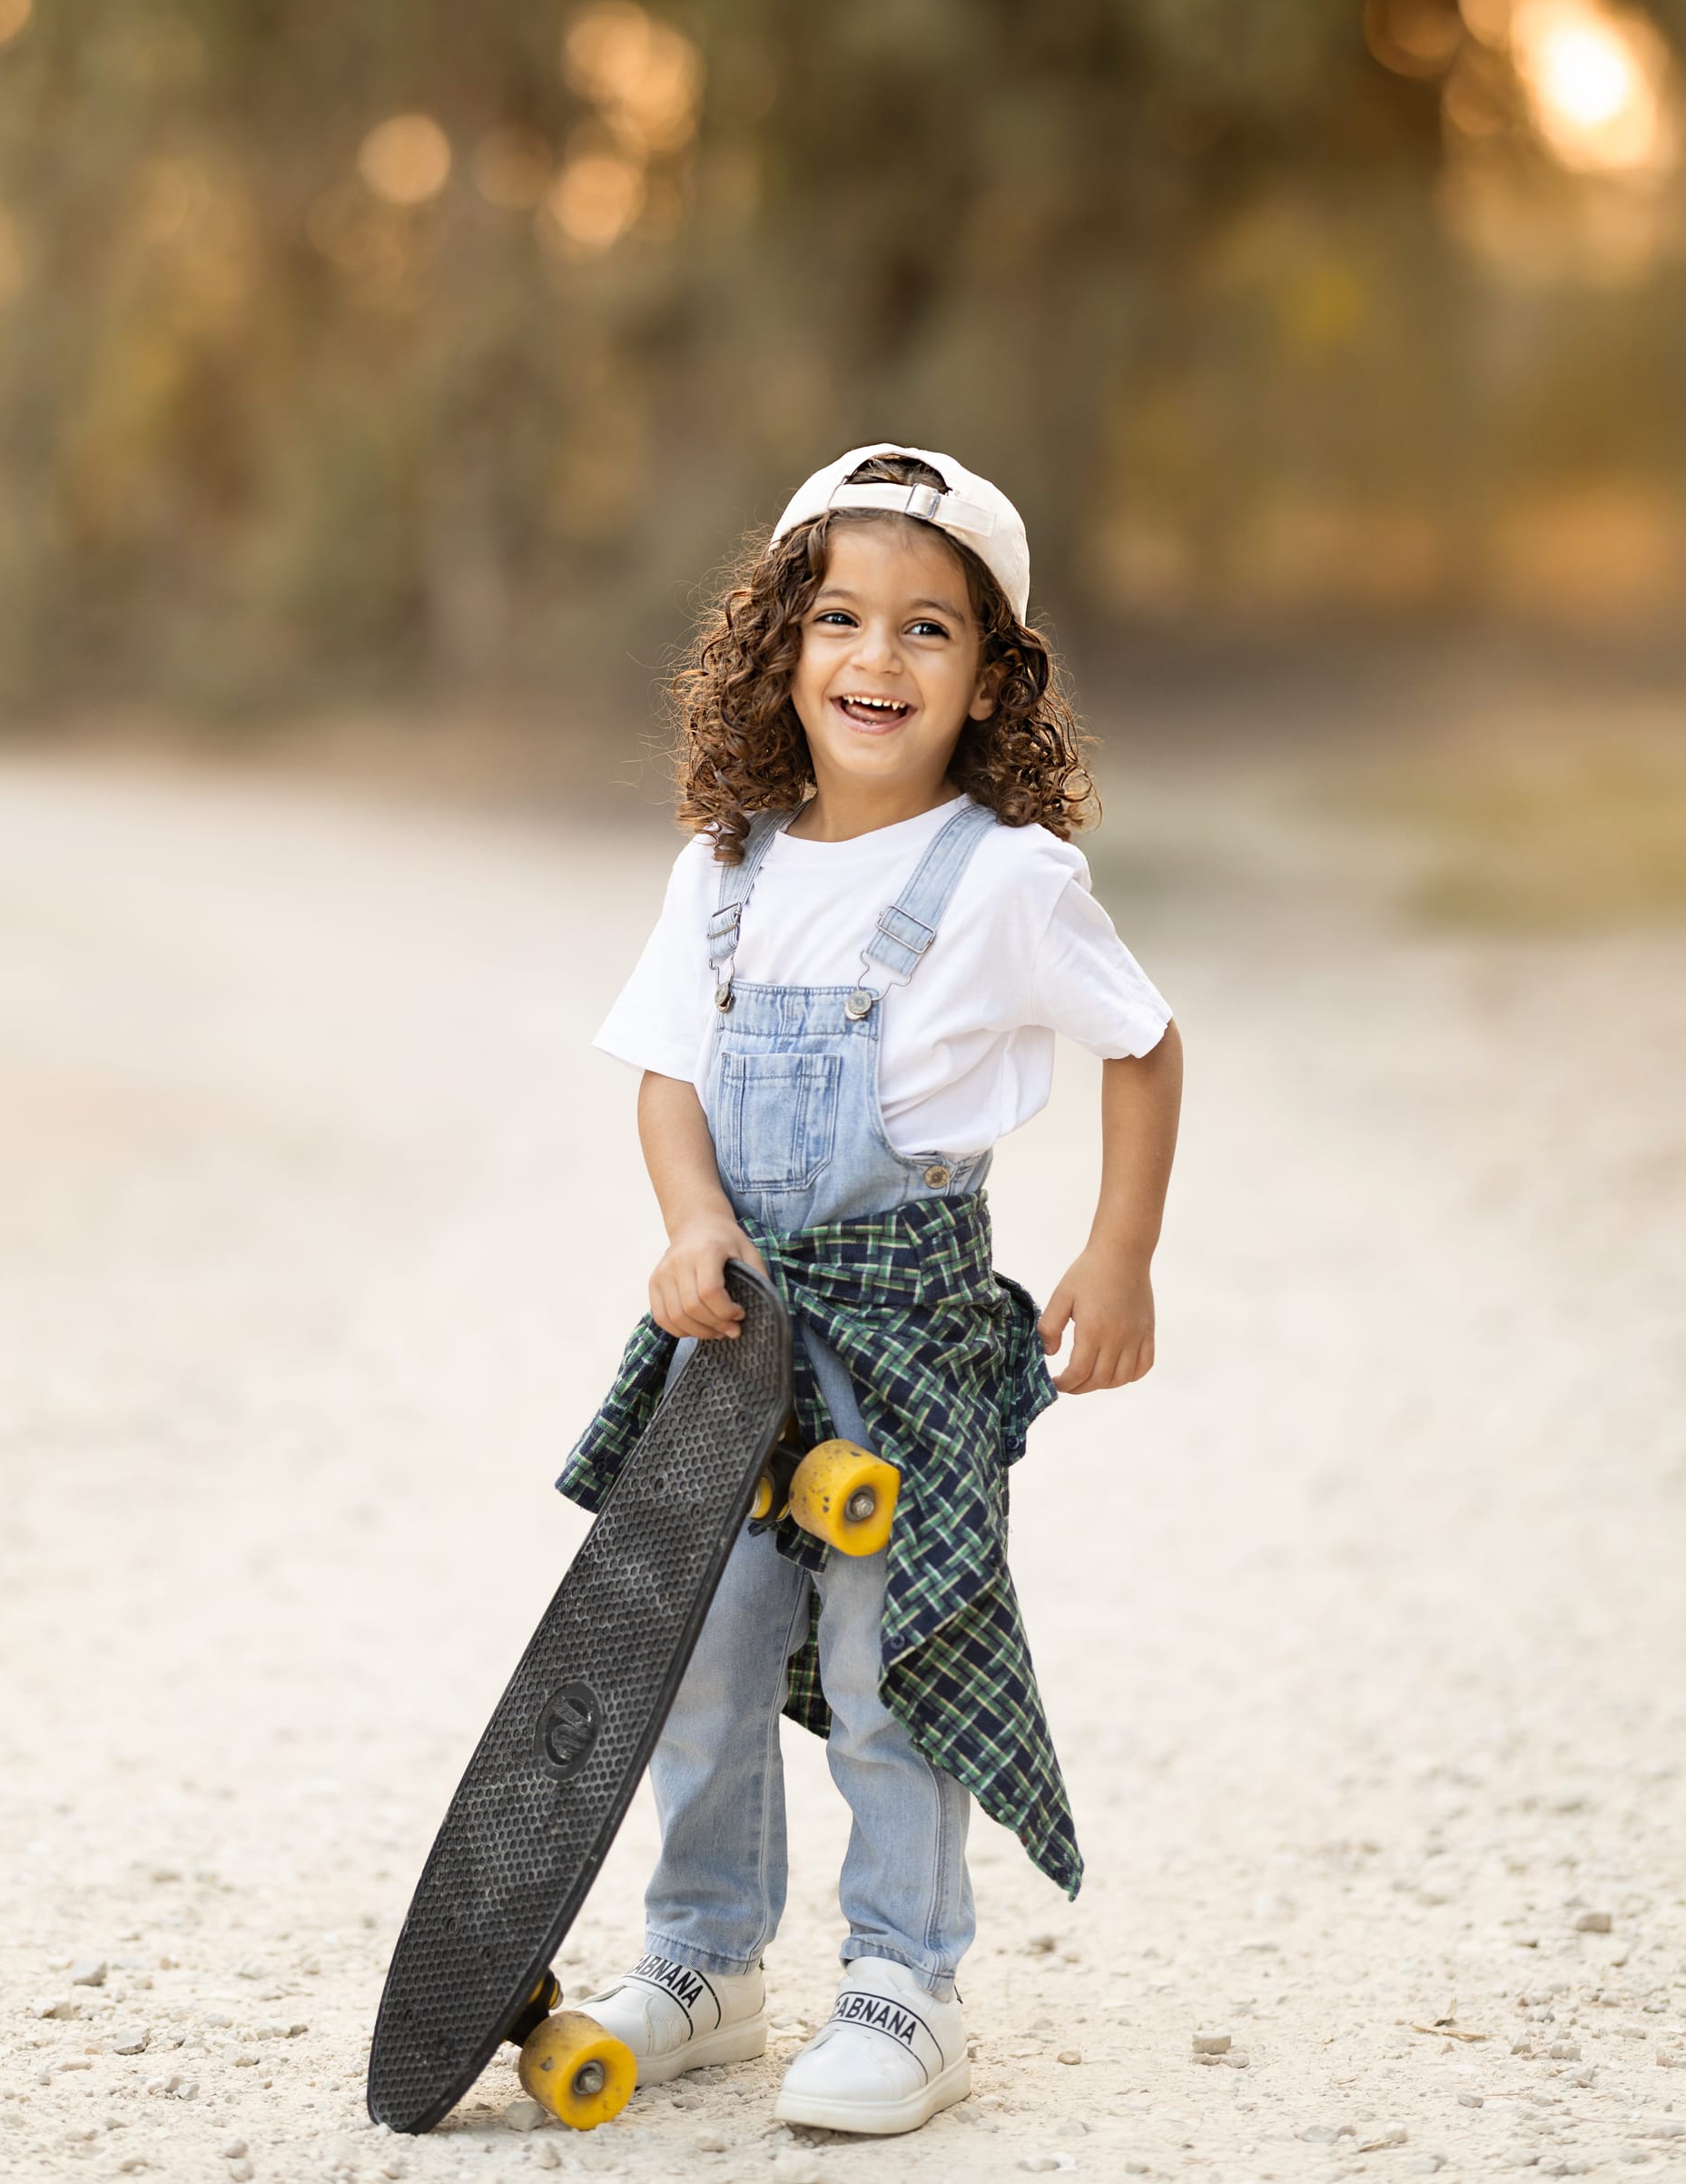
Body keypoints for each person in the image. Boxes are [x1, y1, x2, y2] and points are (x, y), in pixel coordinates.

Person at [558, 443, 1182, 2138]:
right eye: (838, 616)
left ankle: (908, 1984)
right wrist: (691, 1221)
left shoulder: (1007, 878)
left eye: (928, 628)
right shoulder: (724, 866)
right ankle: (704, 1964)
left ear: (991, 679)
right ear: (781, 642)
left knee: (892, 1657)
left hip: (902, 1337)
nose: (876, 657)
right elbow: (668, 1078)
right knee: (699, 1650)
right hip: (733, 1337)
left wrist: (1118, 1251)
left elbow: (1143, 1044)